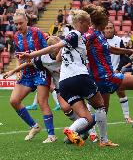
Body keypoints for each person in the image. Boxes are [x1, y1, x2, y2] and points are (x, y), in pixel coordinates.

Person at [18, 9, 118, 147]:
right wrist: (32, 55)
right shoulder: (75, 34)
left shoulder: (74, 39)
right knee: (100, 106)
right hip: (79, 77)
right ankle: (104, 140)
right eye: (87, 23)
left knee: (86, 118)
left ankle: (71, 130)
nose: (89, 26)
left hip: (64, 83)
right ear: (81, 22)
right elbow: (55, 47)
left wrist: (31, 56)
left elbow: (58, 54)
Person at [82, 4, 133, 138]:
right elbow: (78, 46)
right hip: (106, 77)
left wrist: (130, 50)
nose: (108, 25)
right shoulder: (90, 35)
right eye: (106, 22)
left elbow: (110, 48)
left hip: (101, 77)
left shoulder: (98, 34)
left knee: (103, 110)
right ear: (100, 21)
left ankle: (80, 131)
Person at [10, 9, 56, 143]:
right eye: (16, 24)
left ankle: (51, 135)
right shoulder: (16, 36)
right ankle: (34, 126)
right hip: (27, 72)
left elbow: (46, 50)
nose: (18, 27)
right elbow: (19, 56)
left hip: (40, 69)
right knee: (14, 101)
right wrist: (17, 70)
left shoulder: (36, 32)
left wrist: (36, 58)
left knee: (42, 102)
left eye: (20, 23)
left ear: (26, 21)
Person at [103, 21, 133, 123]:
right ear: (103, 29)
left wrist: (118, 69)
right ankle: (91, 120)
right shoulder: (99, 40)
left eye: (110, 27)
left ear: (114, 29)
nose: (109, 30)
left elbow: (124, 57)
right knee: (97, 96)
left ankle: (127, 117)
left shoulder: (119, 40)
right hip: (101, 73)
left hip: (115, 72)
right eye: (107, 28)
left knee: (121, 92)